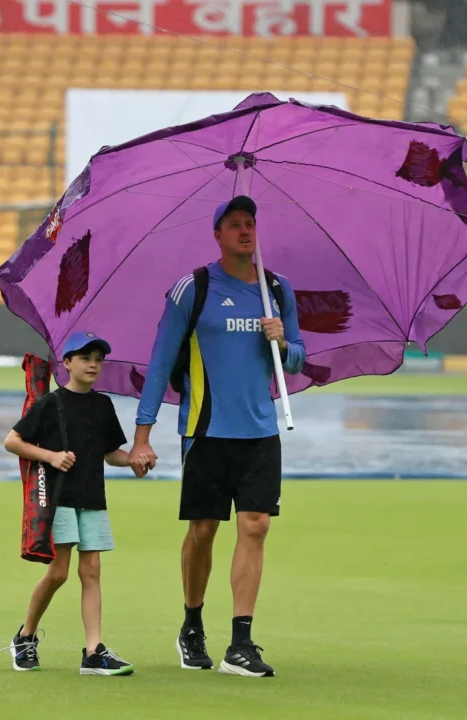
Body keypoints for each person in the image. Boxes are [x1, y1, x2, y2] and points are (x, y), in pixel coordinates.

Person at [130, 195, 306, 678]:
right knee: (204, 530)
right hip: (206, 430)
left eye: (251, 223)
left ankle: (242, 644)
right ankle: (191, 626)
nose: (246, 231)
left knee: (255, 526)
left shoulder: (277, 289)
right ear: (218, 234)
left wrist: (283, 341)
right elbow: (162, 362)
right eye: (235, 225)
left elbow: (297, 360)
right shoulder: (195, 288)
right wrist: (142, 437)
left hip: (260, 432)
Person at [3, 331, 142, 676]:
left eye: (98, 359)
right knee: (59, 572)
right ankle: (25, 636)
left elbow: (111, 454)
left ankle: (94, 652)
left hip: (93, 498)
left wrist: (135, 460)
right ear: (66, 363)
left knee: (91, 570)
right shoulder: (51, 403)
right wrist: (50, 456)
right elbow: (13, 441)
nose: (93, 364)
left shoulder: (102, 405)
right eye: (85, 358)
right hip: (59, 498)